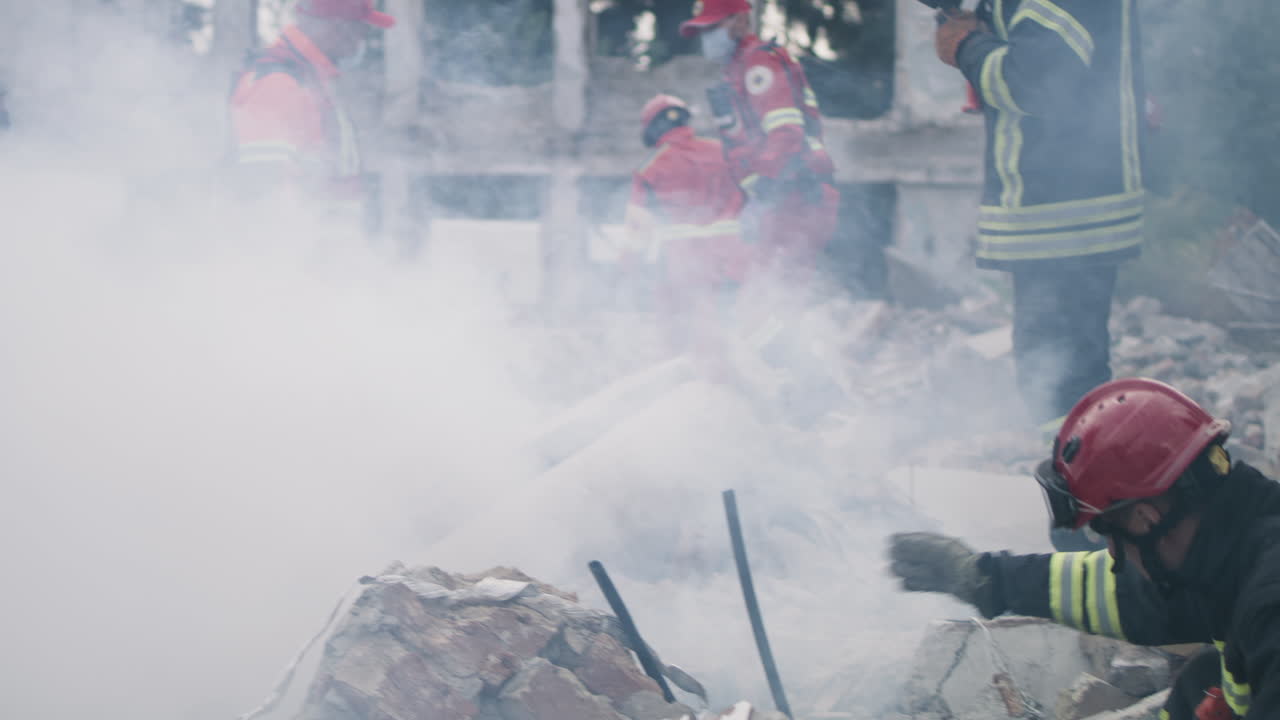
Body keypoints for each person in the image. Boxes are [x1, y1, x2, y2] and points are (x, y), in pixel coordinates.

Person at [888, 377, 1280, 720]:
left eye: (1107, 534)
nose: (1111, 553)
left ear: (1145, 518)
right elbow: (1123, 595)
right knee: (1203, 680)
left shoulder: (1268, 604)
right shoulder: (1229, 550)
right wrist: (984, 578)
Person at [933, 0, 1146, 430]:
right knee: (1059, 373)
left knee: (1059, 384)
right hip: (1062, 210)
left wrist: (968, 45)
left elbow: (1037, 80)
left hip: (1062, 211)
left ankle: (1081, 482)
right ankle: (1083, 475)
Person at [678, 0, 839, 284]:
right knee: (768, 290)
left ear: (740, 21)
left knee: (774, 293)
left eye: (714, 27)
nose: (707, 38)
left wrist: (763, 196)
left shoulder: (758, 61)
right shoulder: (739, 69)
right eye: (703, 31)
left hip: (794, 196)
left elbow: (786, 134)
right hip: (783, 197)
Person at [227, 0, 394, 215]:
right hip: (294, 244)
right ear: (338, 26)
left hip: (324, 241)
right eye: (362, 31)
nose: (361, 41)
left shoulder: (313, 81)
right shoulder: (279, 84)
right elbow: (263, 190)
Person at [624, 93, 749, 355]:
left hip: (683, 263)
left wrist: (628, 269)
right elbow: (754, 197)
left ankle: (687, 380)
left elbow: (638, 228)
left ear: (652, 128)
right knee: (734, 324)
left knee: (679, 333)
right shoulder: (724, 152)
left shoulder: (651, 167)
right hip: (734, 258)